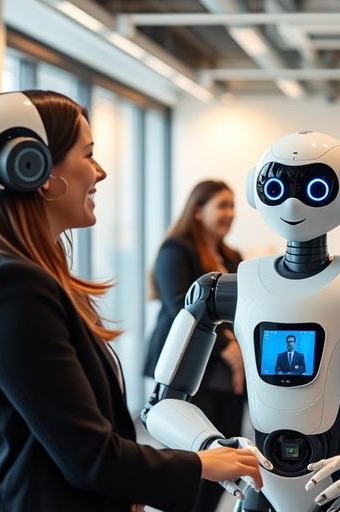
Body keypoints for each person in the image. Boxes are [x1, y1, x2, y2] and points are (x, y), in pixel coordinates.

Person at [0, 90, 261, 512]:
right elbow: (91, 457)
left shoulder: (7, 278)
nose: (100, 172)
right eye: (89, 155)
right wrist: (202, 464)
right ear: (34, 168)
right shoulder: (9, 289)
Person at [144, 179, 246, 512]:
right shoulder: (176, 249)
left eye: (232, 205)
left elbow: (243, 311)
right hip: (187, 365)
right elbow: (181, 308)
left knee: (228, 452)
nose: (229, 213)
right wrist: (228, 349)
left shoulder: (232, 256)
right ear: (198, 211)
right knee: (195, 455)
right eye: (222, 205)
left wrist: (238, 352)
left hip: (228, 371)